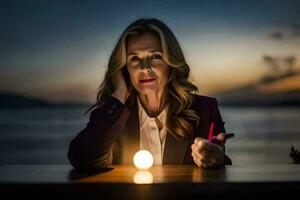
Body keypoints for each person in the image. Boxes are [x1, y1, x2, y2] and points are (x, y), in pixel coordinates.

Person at [68, 18, 232, 171]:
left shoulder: (204, 109)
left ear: (171, 63)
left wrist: (215, 158)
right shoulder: (112, 114)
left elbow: (221, 163)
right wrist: (119, 94)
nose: (144, 68)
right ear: (124, 69)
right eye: (134, 59)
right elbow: (83, 159)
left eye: (155, 56)